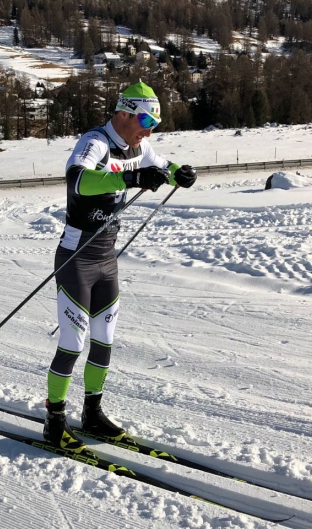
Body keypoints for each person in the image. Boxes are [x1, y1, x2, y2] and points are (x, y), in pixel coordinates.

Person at [44, 82, 197, 451]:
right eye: (146, 120)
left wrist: (182, 173)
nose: (150, 129)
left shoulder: (140, 145)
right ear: (124, 112)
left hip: (106, 259)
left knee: (104, 341)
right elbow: (77, 180)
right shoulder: (95, 141)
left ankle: (92, 414)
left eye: (155, 123)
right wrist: (128, 177)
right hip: (77, 257)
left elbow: (162, 166)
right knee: (72, 342)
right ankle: (54, 422)